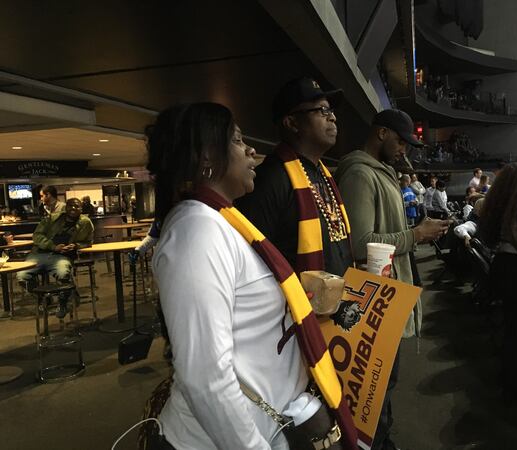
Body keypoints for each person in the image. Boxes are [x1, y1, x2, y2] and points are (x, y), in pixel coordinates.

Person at [147, 102, 356, 450]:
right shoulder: (197, 232)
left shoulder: (223, 222)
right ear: (206, 158)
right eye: (237, 140)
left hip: (267, 425)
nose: (250, 150)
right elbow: (205, 376)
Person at [335, 109, 449, 450]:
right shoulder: (358, 174)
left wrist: (417, 235)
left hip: (387, 293)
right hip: (373, 299)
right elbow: (360, 242)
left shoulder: (380, 172)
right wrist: (415, 235)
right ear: (381, 133)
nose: (404, 149)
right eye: (400, 140)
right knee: (376, 384)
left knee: (386, 381)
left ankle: (381, 439)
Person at [236, 77, 352, 277]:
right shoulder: (271, 179)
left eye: (331, 111)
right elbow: (252, 261)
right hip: (298, 305)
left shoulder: (322, 174)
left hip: (340, 301)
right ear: (292, 123)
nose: (332, 117)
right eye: (322, 110)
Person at [478, 163, 517, 402]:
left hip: (503, 267)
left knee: (512, 330)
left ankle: (511, 380)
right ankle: (514, 386)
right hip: (515, 272)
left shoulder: (503, 208)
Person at [17, 198, 93, 318]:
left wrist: (76, 245)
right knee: (22, 276)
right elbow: (37, 236)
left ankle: (63, 303)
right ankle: (42, 297)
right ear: (65, 207)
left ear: (81, 209)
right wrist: (53, 246)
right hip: (39, 254)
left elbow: (88, 242)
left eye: (76, 206)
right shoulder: (52, 218)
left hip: (62, 257)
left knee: (63, 274)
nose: (73, 208)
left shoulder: (85, 222)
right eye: (70, 206)